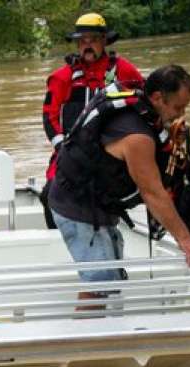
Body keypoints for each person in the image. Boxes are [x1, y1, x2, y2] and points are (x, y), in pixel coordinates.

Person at [47, 64, 190, 299]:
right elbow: (153, 193)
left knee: (109, 282)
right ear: (157, 98)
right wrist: (186, 241)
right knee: (101, 289)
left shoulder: (141, 107)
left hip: (93, 204)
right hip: (79, 212)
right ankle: (88, 331)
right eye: (178, 107)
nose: (181, 114)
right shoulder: (137, 137)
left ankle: (102, 325)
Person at [39, 13, 144, 229]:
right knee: (49, 194)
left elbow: (145, 103)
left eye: (93, 40)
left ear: (104, 41)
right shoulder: (62, 77)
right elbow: (49, 116)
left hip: (112, 153)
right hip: (70, 151)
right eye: (82, 41)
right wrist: (62, 147)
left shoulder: (124, 70)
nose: (87, 46)